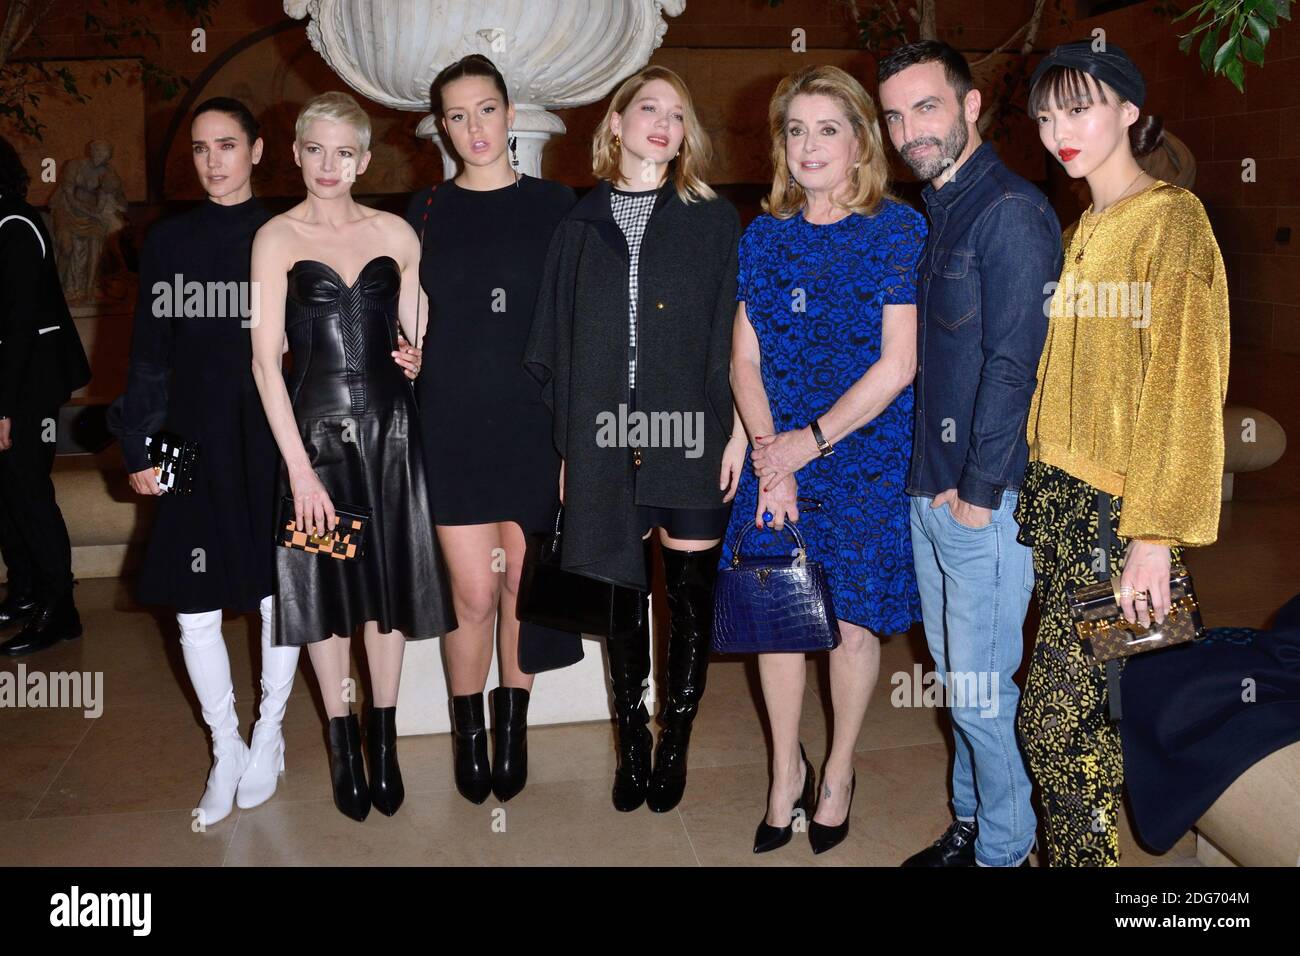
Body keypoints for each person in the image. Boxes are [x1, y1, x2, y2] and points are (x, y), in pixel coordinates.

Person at [1018, 41, 1229, 866]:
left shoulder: (1172, 219)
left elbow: (1185, 382)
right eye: (1044, 116)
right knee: (1094, 720)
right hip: (1064, 503)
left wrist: (1153, 537)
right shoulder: (1085, 226)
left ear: (1130, 111)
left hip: (1122, 513)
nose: (1059, 131)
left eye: (1080, 108)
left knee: (1060, 724)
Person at [525, 65, 741, 814]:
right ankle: (632, 741)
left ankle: (675, 737)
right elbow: (556, 347)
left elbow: (737, 338)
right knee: (621, 593)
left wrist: (740, 431)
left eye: (677, 115)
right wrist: (567, 453)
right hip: (603, 440)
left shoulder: (713, 220)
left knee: (688, 597)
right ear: (614, 122)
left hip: (693, 432)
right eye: (648, 108)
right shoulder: (578, 227)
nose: (663, 124)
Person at [723, 65, 923, 855]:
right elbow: (745, 359)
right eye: (796, 130)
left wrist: (809, 445)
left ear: (860, 142)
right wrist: (772, 455)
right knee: (777, 617)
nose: (809, 145)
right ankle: (784, 771)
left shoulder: (896, 230)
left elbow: (898, 363)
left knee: (849, 623)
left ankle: (838, 769)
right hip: (778, 447)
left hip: (864, 452)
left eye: (827, 129)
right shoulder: (764, 235)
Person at [876, 41, 1061, 868]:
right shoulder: (936, 209)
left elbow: (1013, 365)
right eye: (894, 115)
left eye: (926, 107)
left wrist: (978, 494)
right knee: (961, 688)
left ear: (972, 105)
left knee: (983, 696)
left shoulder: (1011, 213)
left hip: (983, 499)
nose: (908, 129)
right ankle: (970, 825)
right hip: (933, 489)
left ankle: (1005, 852)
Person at [250, 91, 456, 822]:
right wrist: (299, 472)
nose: (329, 165)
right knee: (325, 596)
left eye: (345, 152)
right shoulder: (275, 238)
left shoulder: (397, 232)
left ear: (364, 159)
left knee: (386, 591)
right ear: (297, 152)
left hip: (392, 440)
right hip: (317, 446)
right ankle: (341, 742)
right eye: (316, 150)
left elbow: (422, 329)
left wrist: (421, 353)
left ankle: (385, 738)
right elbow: (265, 365)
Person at [405, 54, 577, 805]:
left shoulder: (558, 205)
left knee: (522, 593)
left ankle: (515, 729)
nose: (473, 127)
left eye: (485, 109)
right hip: (451, 418)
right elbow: (402, 306)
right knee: (473, 594)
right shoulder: (424, 211)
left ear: (510, 114)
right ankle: (468, 730)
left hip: (535, 423)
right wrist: (403, 351)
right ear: (442, 127)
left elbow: (579, 322)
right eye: (456, 115)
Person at [0, 135, 91, 656]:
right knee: (9, 492)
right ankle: (28, 591)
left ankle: (61, 609)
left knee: (29, 492)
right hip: (14, 379)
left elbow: (16, 325)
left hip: (26, 383)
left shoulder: (16, 225)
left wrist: (5, 408)